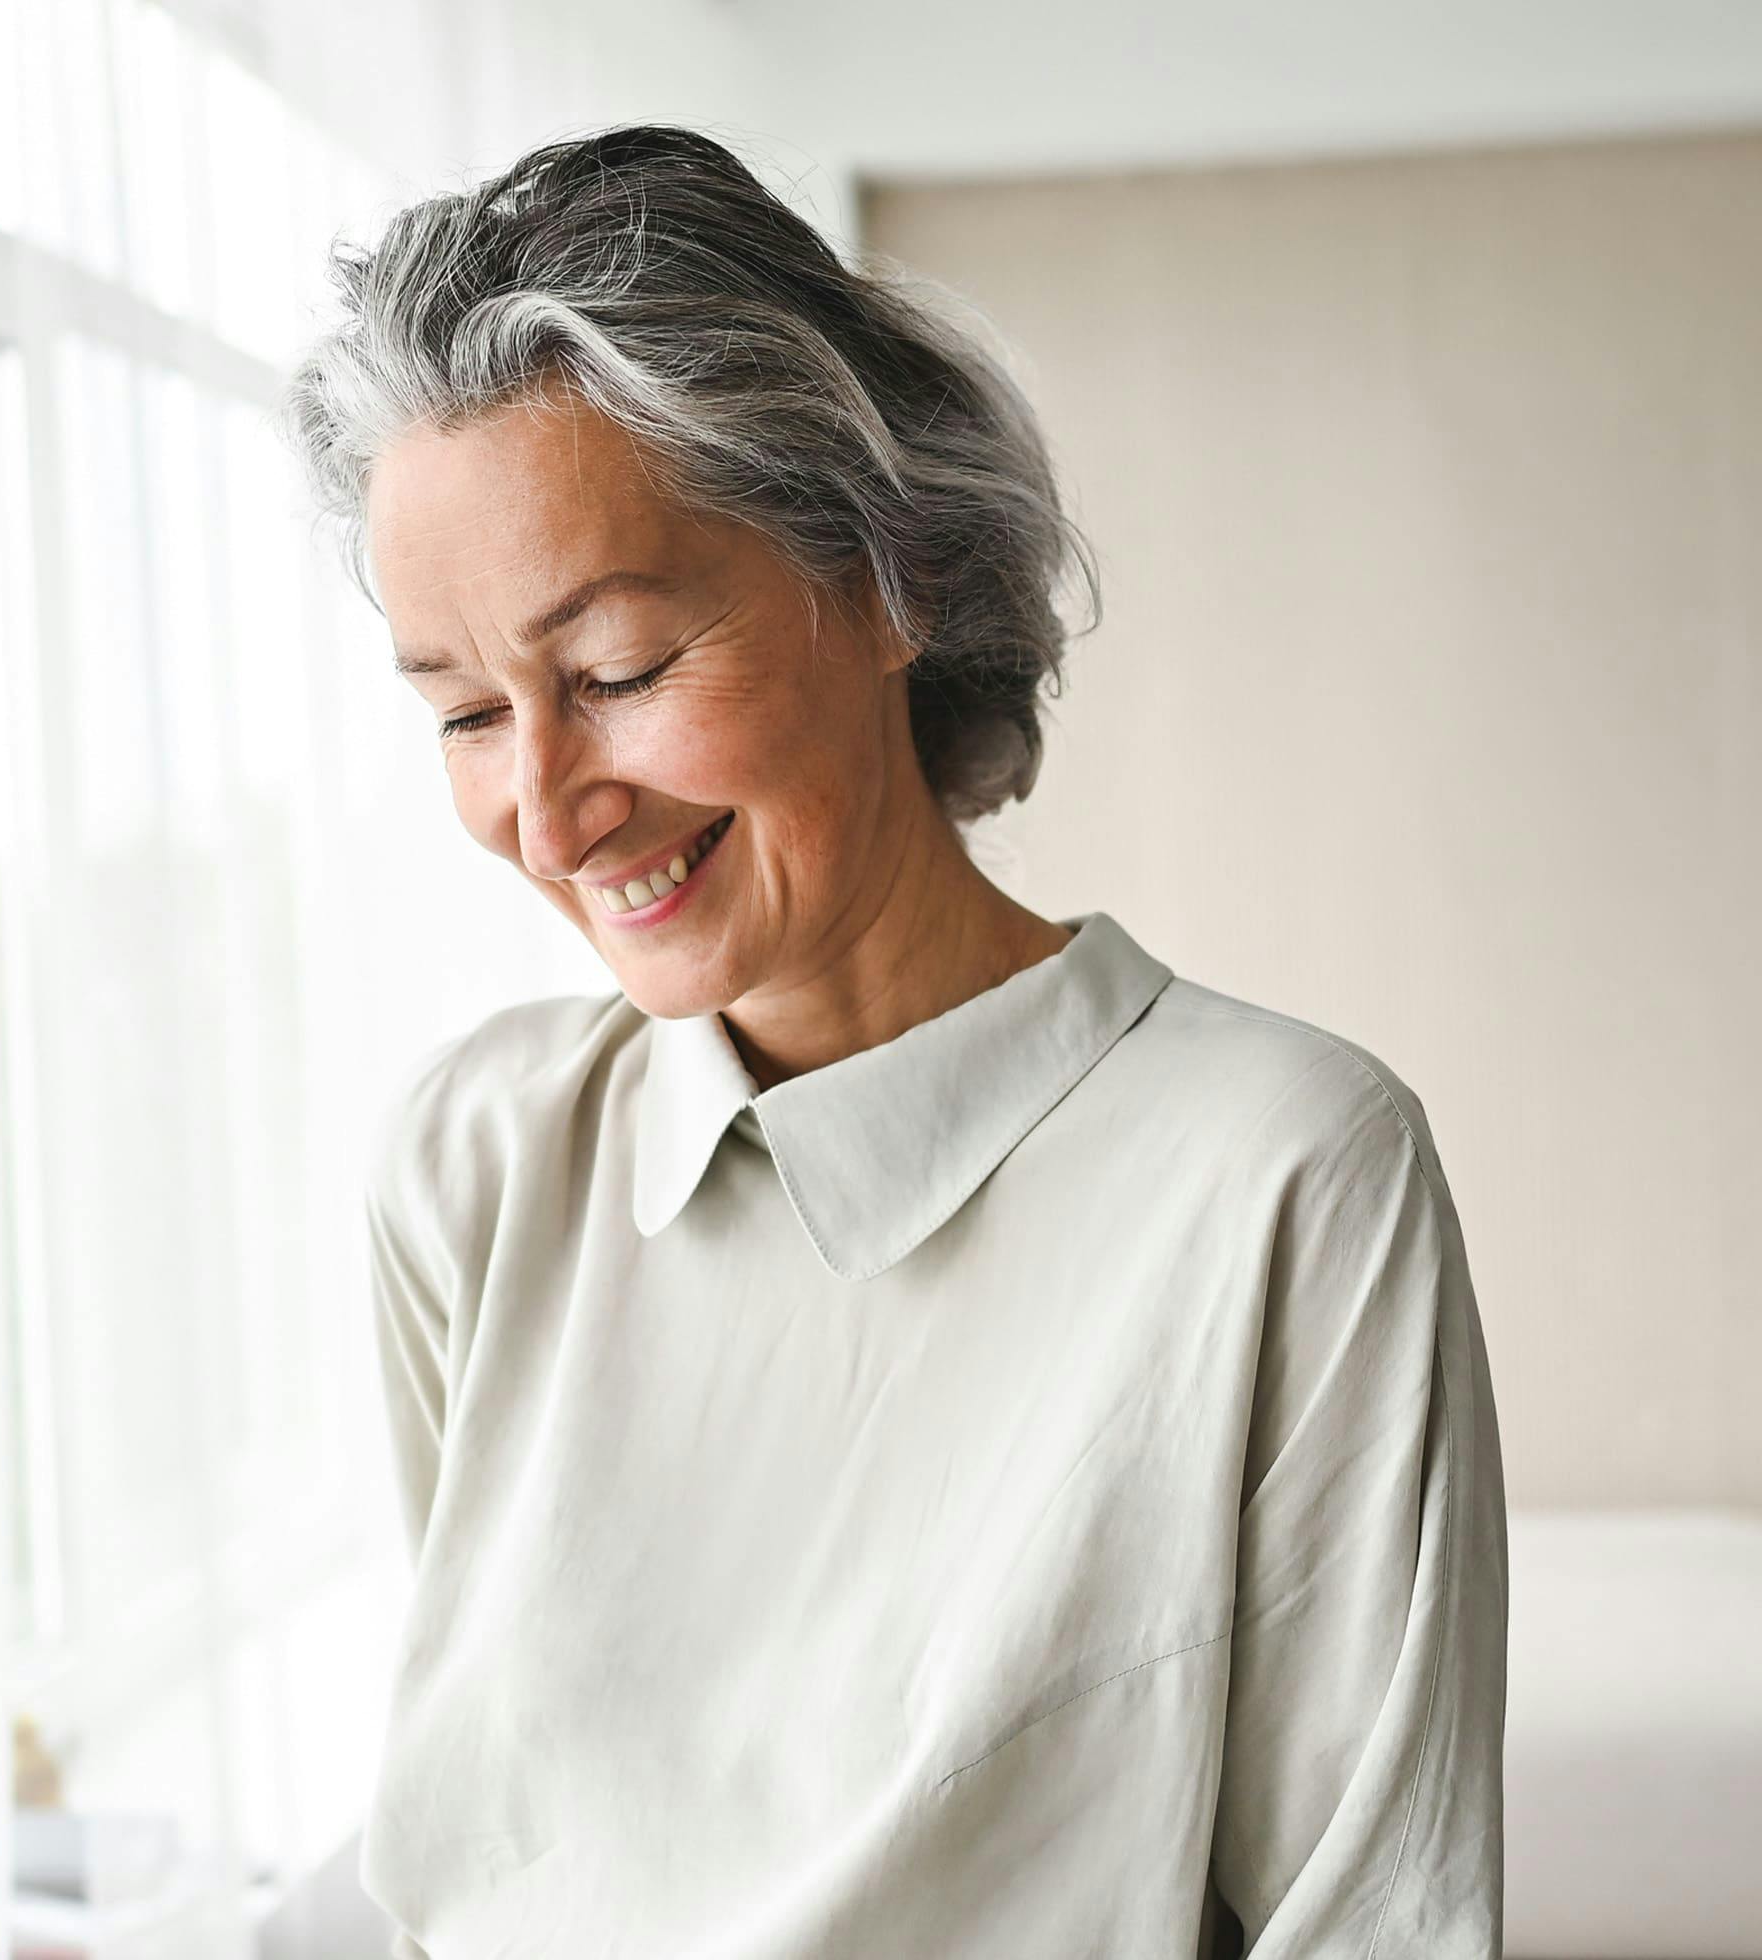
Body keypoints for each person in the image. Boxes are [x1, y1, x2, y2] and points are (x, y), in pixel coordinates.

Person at [277, 122, 1507, 1959]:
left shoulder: (1282, 1177)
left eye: (615, 672)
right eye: (464, 712)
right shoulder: (477, 1163)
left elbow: (1376, 1924)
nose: (546, 810)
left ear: (886, 581)